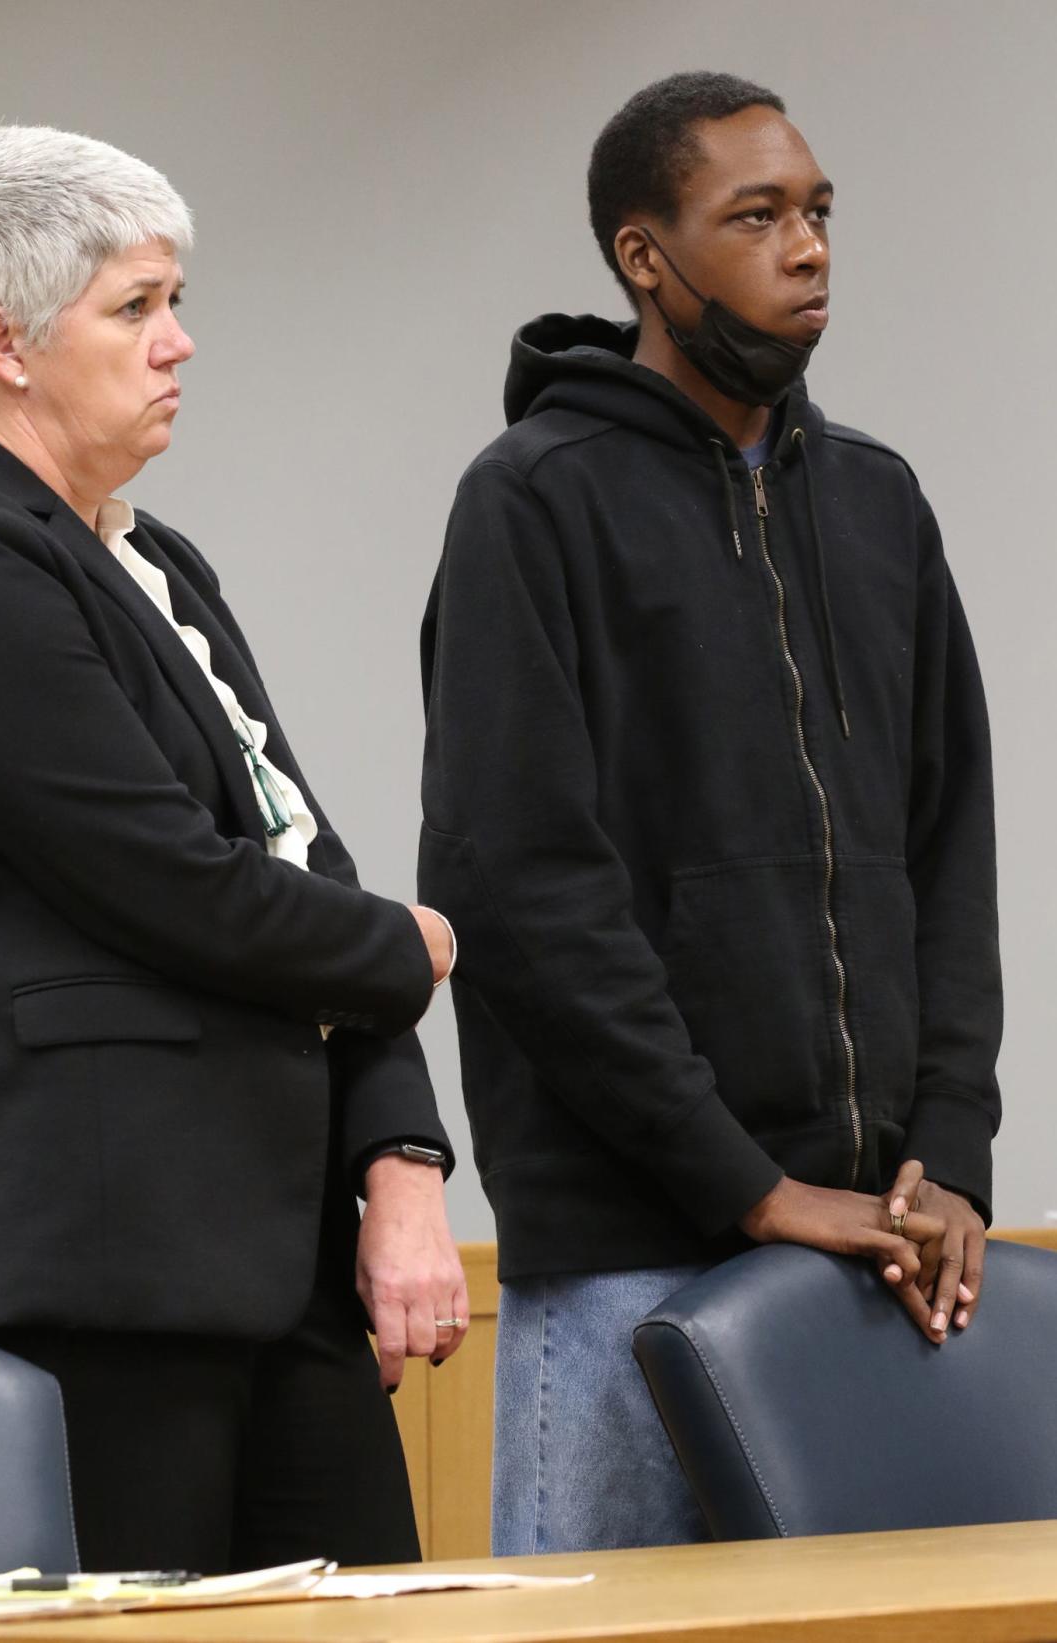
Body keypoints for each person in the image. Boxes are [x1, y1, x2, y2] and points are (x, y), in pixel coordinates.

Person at [0, 125, 468, 1574]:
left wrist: (402, 1156)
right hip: (89, 1278)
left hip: (276, 1266)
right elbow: (181, 890)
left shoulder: (157, 560)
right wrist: (415, 948)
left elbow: (306, 868)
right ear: (5, 339)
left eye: (174, 302)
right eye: (135, 308)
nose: (178, 344)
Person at [418, 72, 1000, 1554]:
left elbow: (947, 857)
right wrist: (743, 1186)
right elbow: (522, 892)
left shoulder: (879, 503)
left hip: (875, 1252)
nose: (805, 247)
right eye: (755, 217)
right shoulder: (531, 501)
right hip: (628, 1259)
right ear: (643, 258)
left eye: (815, 212)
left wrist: (952, 1153)